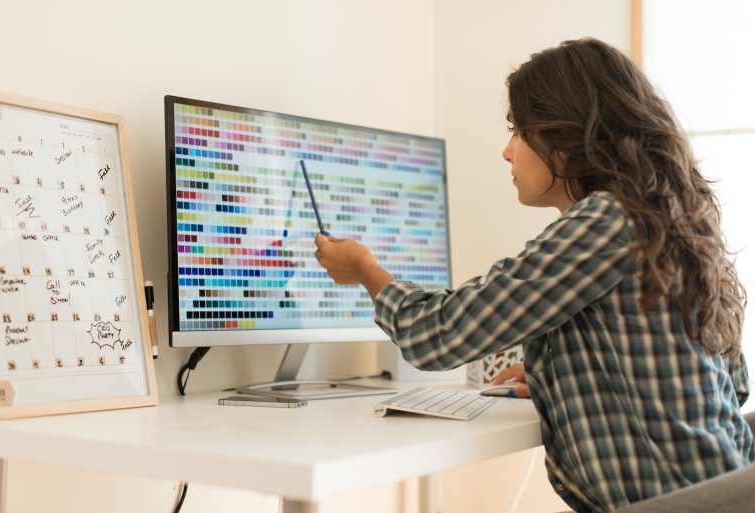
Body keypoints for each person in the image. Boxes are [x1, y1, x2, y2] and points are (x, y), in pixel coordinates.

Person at [313, 37, 754, 512]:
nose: (507, 152)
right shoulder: (671, 220)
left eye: (519, 132)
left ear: (567, 139)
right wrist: (559, 372)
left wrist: (364, 269)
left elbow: (436, 334)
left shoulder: (606, 222)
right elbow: (733, 384)